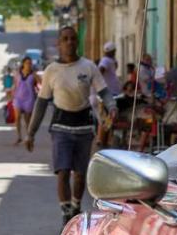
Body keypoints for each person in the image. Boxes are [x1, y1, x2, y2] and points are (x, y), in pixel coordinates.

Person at [26, 26, 110, 222]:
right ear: (59, 43)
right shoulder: (51, 71)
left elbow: (103, 91)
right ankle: (65, 213)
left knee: (80, 174)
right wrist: (31, 133)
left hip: (84, 127)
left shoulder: (88, 67)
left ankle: (75, 205)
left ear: (77, 42)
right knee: (62, 171)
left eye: (73, 38)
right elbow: (41, 103)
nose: (70, 42)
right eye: (65, 39)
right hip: (61, 127)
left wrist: (111, 106)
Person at [12, 55, 39, 145]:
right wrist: (12, 95)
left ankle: (28, 137)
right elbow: (15, 85)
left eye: (30, 63)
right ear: (23, 64)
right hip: (18, 98)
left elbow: (42, 83)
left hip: (29, 99)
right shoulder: (18, 74)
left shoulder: (34, 75)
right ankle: (19, 136)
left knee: (28, 120)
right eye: (27, 63)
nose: (29, 65)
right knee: (17, 118)